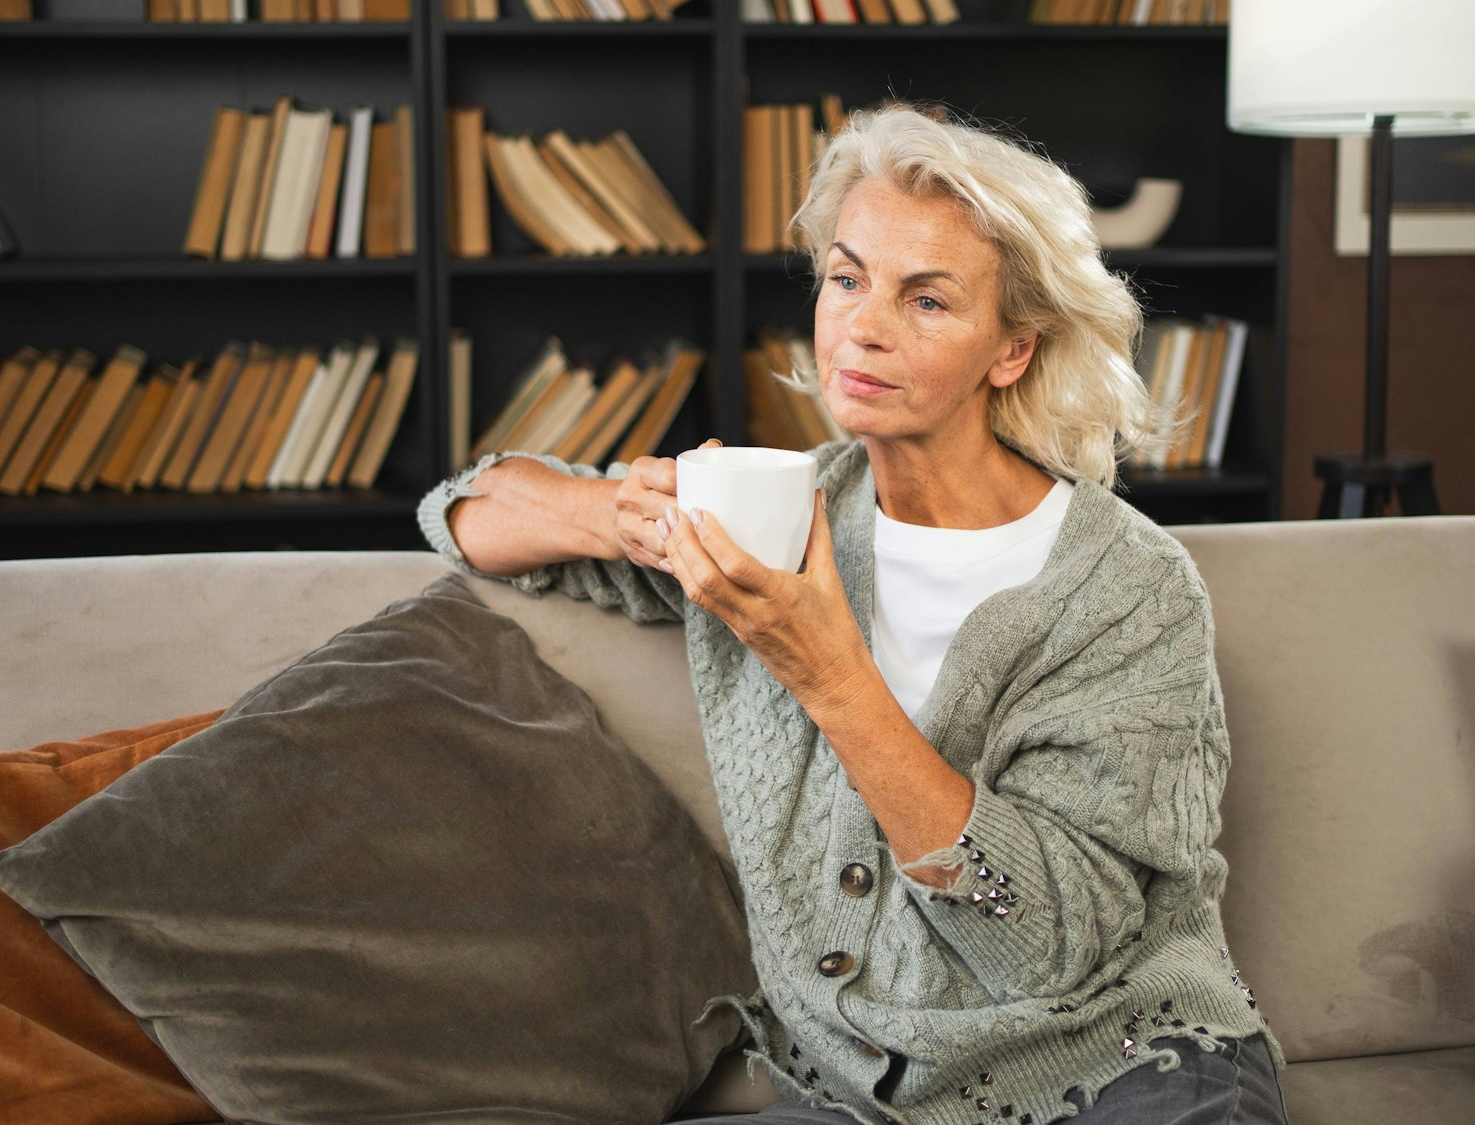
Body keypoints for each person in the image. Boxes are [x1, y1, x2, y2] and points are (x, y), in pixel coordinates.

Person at [415, 101, 1289, 1125]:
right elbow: (466, 511)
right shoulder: (765, 518)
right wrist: (619, 515)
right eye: (845, 278)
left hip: (1121, 1066)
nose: (861, 327)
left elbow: (1055, 949)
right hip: (860, 1093)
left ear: (1011, 350)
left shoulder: (1125, 590)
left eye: (926, 301)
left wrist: (829, 675)